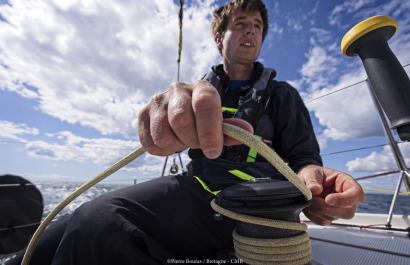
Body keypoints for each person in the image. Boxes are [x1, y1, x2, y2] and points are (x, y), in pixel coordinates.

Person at [8, 0, 365, 264]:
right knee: (56, 233)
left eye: (257, 25)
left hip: (253, 206)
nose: (251, 30)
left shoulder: (283, 95)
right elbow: (167, 115)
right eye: (240, 23)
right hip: (195, 188)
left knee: (96, 222)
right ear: (218, 36)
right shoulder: (198, 91)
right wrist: (166, 115)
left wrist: (314, 183)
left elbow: (304, 159)